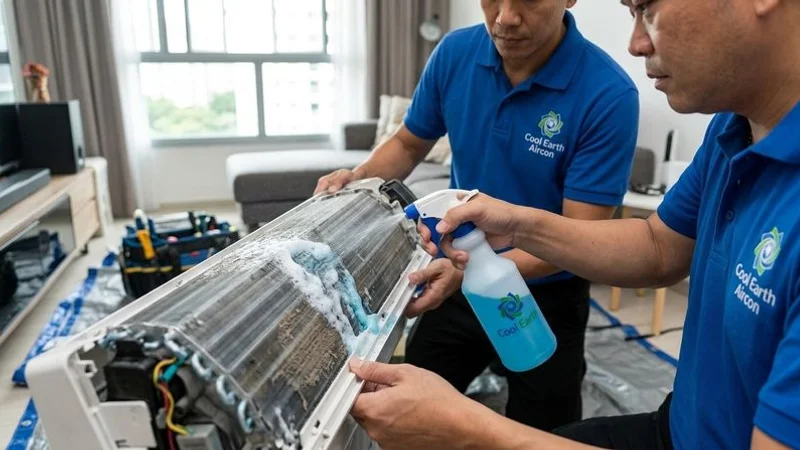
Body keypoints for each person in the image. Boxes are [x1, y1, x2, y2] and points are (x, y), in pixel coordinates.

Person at [347, 0, 800, 448]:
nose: (636, 43)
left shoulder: (606, 93)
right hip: (680, 427)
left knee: (539, 413)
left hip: (546, 294)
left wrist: (467, 431)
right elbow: (657, 246)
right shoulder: (731, 127)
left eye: (648, 8)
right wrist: (517, 222)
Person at [317, 0, 639, 431]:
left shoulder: (607, 93)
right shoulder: (455, 54)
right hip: (459, 277)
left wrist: (473, 271)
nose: (505, 17)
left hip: (546, 290)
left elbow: (582, 237)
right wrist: (356, 180)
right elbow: (411, 143)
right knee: (410, 414)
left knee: (543, 430)